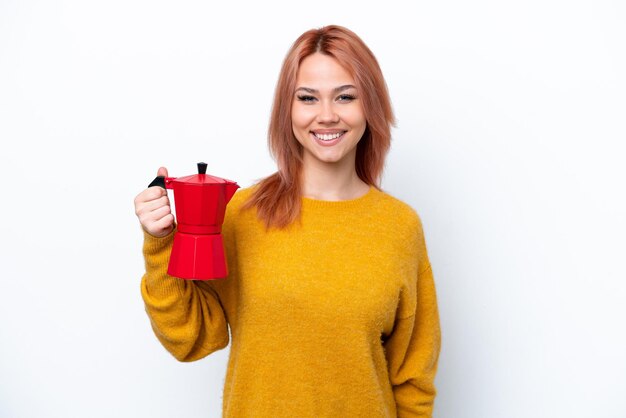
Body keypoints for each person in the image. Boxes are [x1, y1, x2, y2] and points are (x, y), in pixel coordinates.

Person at [134, 25, 441, 417]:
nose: (326, 116)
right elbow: (191, 339)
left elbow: (413, 378)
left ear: (370, 107)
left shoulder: (400, 227)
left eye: (345, 97)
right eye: (308, 98)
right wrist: (160, 243)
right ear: (288, 109)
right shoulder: (241, 215)